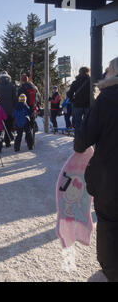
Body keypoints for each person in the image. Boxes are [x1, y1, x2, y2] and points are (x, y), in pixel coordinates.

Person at [74, 57, 118, 282]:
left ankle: (112, 272)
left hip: (111, 179)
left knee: (109, 224)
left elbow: (83, 140)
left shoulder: (107, 99)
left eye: (108, 70)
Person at [0, 71, 17, 148]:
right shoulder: (12, 86)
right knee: (8, 126)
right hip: (9, 110)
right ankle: (7, 142)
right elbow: (14, 99)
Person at [67, 67, 91, 136]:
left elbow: (69, 94)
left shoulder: (75, 82)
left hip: (77, 105)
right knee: (88, 123)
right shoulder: (91, 81)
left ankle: (78, 139)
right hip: (88, 105)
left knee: (78, 123)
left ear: (79, 72)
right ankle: (87, 139)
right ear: (88, 72)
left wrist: (73, 100)